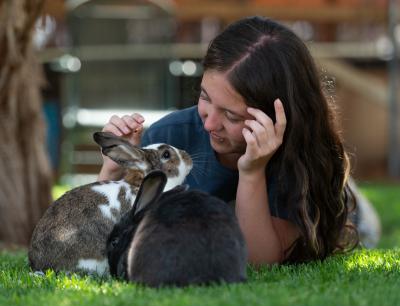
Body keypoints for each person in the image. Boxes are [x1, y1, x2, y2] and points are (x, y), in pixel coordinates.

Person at [98, 16, 360, 265]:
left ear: (274, 117)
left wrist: (252, 171)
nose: (209, 123)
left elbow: (258, 263)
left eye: (231, 116)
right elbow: (107, 241)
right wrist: (111, 172)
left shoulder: (300, 157)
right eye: (205, 97)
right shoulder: (168, 139)